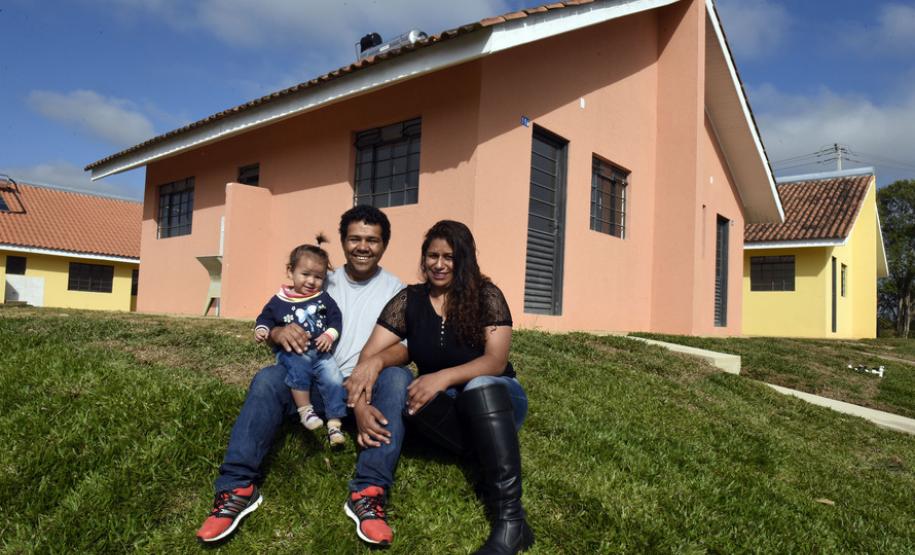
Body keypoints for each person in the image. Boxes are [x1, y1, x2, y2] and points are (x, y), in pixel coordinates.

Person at [196, 205, 410, 544]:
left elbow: (407, 348)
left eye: (372, 239)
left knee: (398, 379)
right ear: (342, 242)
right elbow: (275, 317)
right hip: (310, 388)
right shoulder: (318, 277)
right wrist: (279, 333)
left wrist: (374, 365)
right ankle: (237, 488)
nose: (363, 246)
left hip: (364, 393)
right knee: (267, 379)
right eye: (355, 238)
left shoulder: (397, 289)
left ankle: (368, 493)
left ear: (384, 245)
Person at [345, 220, 533, 554]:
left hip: (496, 397)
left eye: (449, 257)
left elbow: (495, 362)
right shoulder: (410, 299)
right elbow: (369, 355)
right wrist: (372, 368)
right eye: (432, 255)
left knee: (480, 383)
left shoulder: (486, 295)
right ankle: (484, 455)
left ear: (465, 260)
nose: (439, 264)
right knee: (408, 393)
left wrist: (441, 376)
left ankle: (509, 520)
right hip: (444, 405)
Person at [254, 239, 346, 446]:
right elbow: (265, 318)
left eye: (318, 277)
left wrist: (329, 335)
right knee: (299, 367)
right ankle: (305, 410)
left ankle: (334, 423)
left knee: (334, 377)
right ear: (290, 271)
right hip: (293, 351)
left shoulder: (323, 298)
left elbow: (335, 318)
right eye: (305, 274)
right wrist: (262, 329)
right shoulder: (279, 300)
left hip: (321, 352)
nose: (311, 281)